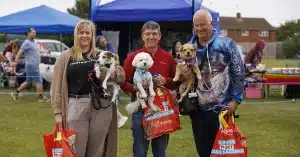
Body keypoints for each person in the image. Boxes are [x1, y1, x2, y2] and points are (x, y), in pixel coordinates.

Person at [51, 20, 125, 157]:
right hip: (76, 105)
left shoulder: (102, 54)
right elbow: (56, 87)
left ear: (92, 35)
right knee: (75, 150)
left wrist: (111, 74)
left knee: (97, 151)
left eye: (87, 32)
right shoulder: (65, 57)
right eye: (81, 32)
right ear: (76, 35)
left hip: (102, 106)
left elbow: (121, 76)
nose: (84, 35)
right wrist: (57, 113)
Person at [186, 9, 245, 157]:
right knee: (203, 152)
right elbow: (182, 76)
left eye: (203, 24)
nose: (199, 28)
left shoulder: (226, 44)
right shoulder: (189, 47)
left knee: (223, 152)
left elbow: (238, 72)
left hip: (222, 108)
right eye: (196, 25)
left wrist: (235, 100)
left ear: (211, 23)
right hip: (197, 110)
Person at [120, 21, 177, 157]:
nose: (151, 37)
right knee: (140, 151)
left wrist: (166, 81)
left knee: (160, 151)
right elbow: (123, 82)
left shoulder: (167, 57)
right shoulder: (133, 57)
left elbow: (176, 81)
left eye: (154, 34)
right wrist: (137, 89)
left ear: (160, 36)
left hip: (161, 110)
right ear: (143, 36)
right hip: (140, 108)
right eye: (148, 34)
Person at [96, 34, 128, 128]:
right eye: (101, 39)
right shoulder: (98, 52)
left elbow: (115, 61)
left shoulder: (108, 49)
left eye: (104, 39)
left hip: (109, 82)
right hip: (104, 84)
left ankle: (119, 118)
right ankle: (118, 118)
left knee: (111, 101)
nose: (103, 40)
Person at [11, 28, 49, 102]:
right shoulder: (26, 42)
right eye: (33, 32)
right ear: (29, 33)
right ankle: (41, 97)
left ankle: (16, 93)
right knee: (39, 80)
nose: (35, 34)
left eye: (35, 32)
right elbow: (20, 52)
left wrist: (46, 51)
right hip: (32, 65)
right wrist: (15, 61)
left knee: (28, 81)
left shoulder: (34, 42)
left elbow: (37, 50)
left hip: (33, 64)